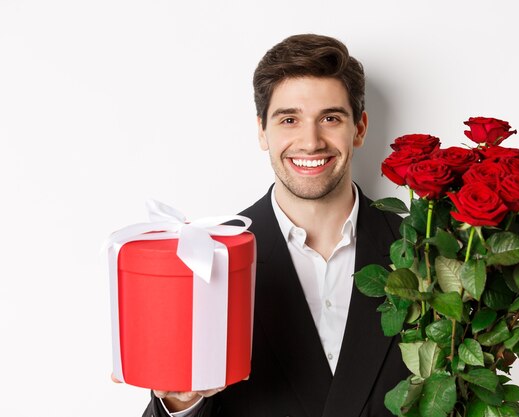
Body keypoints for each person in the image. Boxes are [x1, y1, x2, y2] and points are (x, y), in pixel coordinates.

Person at [141, 33, 408, 417]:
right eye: (289, 119)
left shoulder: (422, 250)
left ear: (360, 128)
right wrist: (181, 401)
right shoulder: (210, 256)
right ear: (262, 131)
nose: (311, 141)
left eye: (330, 118)